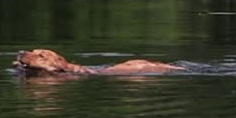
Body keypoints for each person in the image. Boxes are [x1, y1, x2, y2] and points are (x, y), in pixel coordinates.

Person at [14, 48, 182, 76]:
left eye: (40, 56)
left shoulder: (62, 72)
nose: (28, 54)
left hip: (142, 70)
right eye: (33, 52)